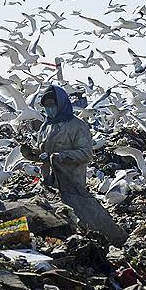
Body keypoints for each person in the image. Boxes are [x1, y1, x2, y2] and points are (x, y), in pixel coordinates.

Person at [22, 84, 129, 246]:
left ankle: (113, 241)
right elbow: (44, 154)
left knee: (86, 218)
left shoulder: (77, 125)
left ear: (62, 103)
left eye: (52, 104)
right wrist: (31, 154)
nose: (49, 109)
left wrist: (63, 156)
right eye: (46, 106)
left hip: (72, 181)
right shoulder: (46, 126)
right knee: (51, 219)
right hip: (50, 183)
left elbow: (86, 153)